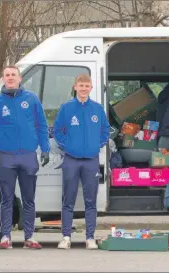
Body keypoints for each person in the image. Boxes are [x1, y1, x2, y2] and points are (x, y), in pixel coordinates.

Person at [0, 65, 50, 250]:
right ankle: (6, 236)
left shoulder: (31, 99)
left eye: (14, 74)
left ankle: (29, 236)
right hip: (6, 156)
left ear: (20, 78)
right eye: (7, 75)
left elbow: (41, 125)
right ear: (3, 79)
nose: (10, 77)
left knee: (29, 199)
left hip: (28, 155)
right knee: (6, 198)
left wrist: (44, 148)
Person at [54, 74, 109, 250]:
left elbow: (106, 131)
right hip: (71, 159)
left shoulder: (98, 109)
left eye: (87, 86)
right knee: (68, 200)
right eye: (81, 85)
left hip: (91, 160)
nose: (84, 88)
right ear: (75, 87)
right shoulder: (66, 108)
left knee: (90, 200)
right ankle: (66, 236)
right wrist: (67, 145)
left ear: (91, 88)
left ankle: (90, 237)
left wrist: (97, 144)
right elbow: (57, 130)